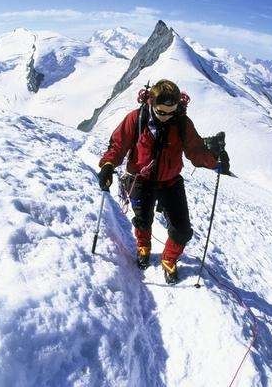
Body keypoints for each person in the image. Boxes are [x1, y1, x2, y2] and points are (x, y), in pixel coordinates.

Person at [97, 79, 229, 284]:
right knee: (143, 219)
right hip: (141, 180)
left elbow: (195, 152)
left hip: (170, 181)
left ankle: (169, 259)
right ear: (151, 103)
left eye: (171, 111)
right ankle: (144, 247)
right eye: (161, 112)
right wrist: (107, 165)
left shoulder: (182, 123)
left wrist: (214, 160)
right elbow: (118, 145)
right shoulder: (136, 119)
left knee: (182, 229)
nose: (167, 117)